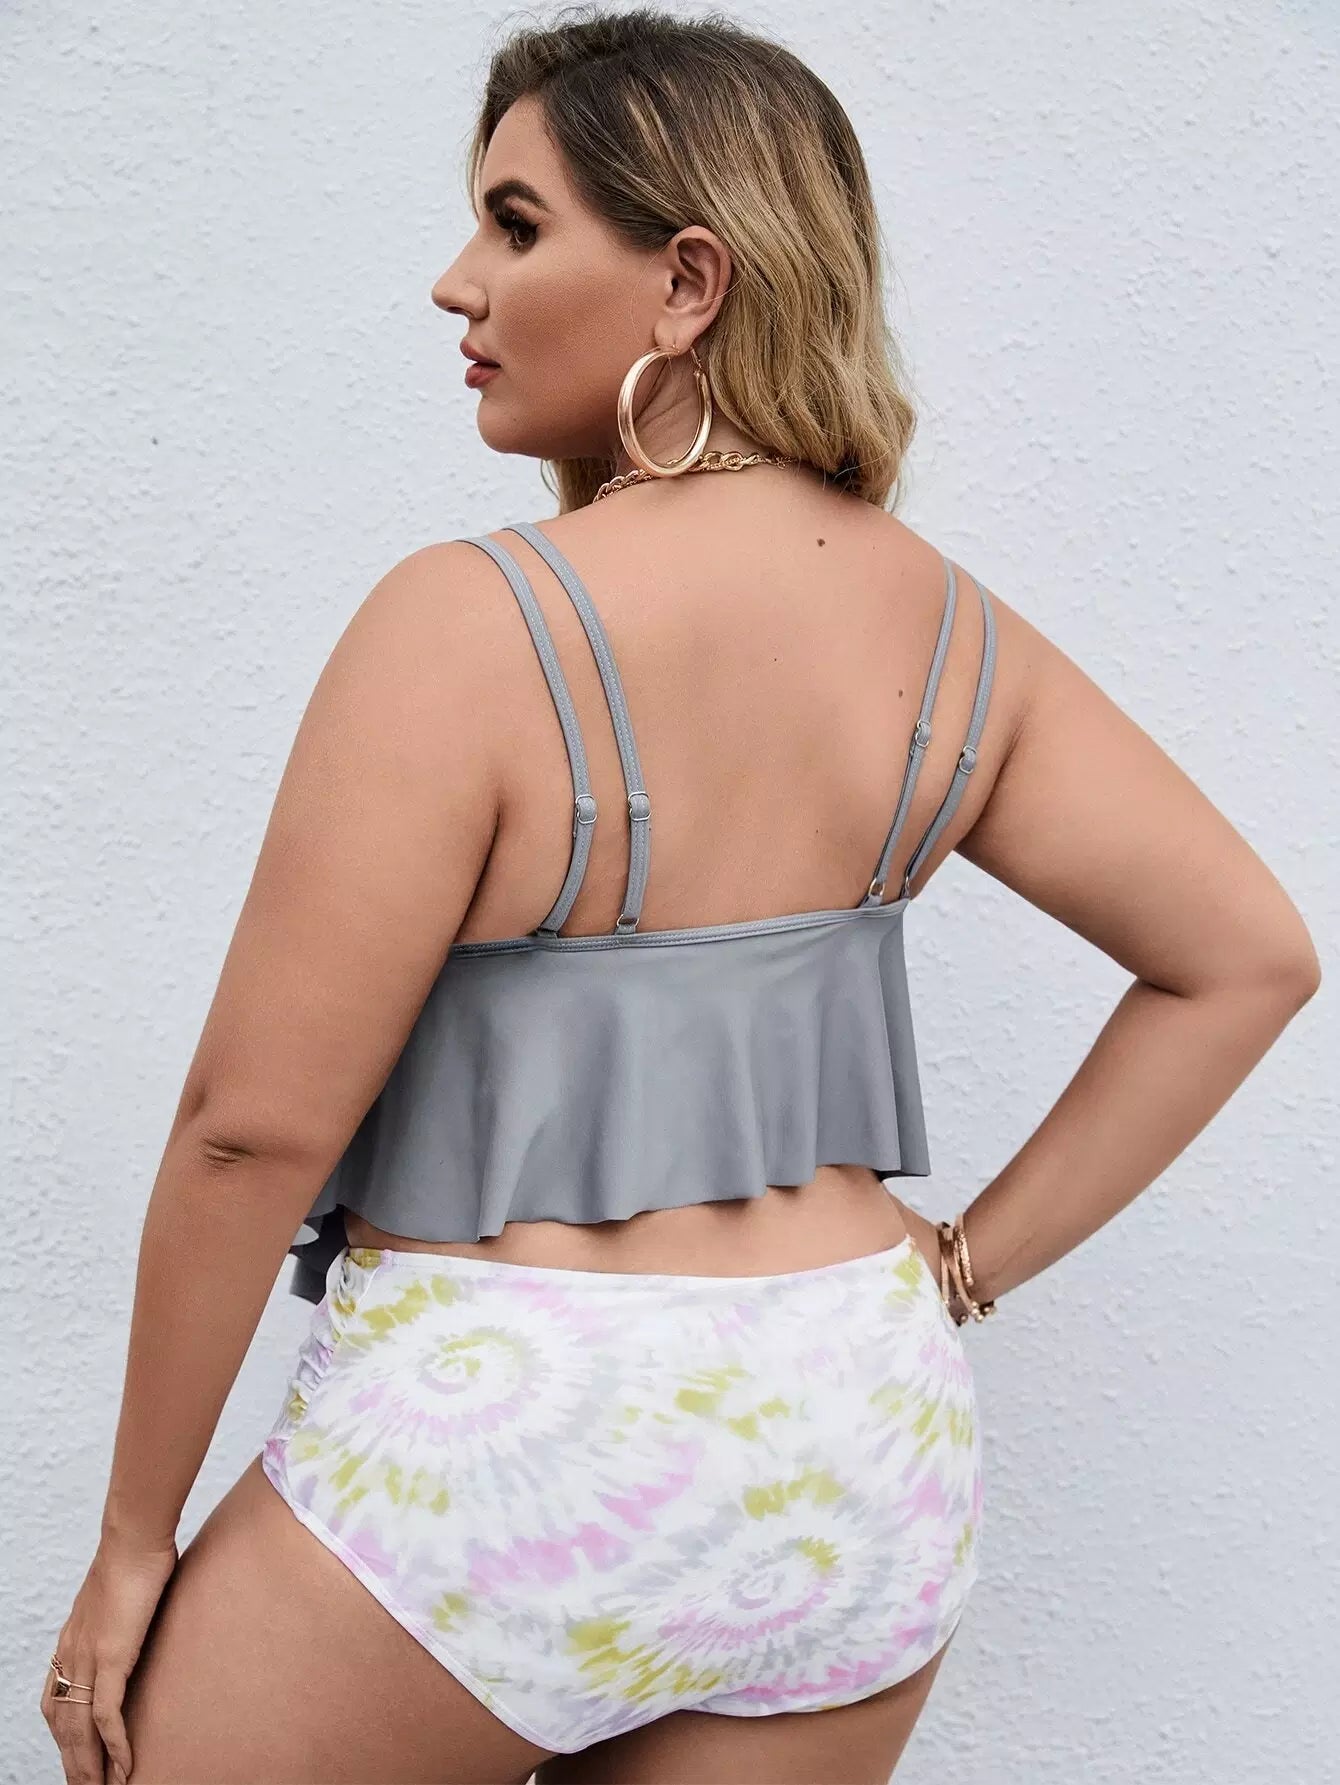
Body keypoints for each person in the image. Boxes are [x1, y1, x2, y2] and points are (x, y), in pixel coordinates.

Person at [44, 9, 1320, 1784]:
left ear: (689, 281)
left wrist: (130, 1543)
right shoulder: (953, 629)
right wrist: (960, 1268)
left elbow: (248, 1130)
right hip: (858, 1433)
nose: (456, 283)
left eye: (515, 225)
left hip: (511, 1440)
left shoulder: (466, 619)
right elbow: (1247, 958)